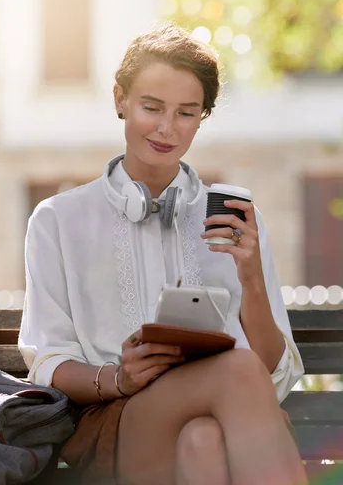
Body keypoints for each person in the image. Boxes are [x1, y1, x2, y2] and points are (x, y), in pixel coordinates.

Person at [18, 24, 307, 485]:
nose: (167, 128)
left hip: (232, 423)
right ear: (120, 99)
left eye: (187, 113)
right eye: (151, 107)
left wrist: (251, 278)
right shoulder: (57, 219)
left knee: (203, 442)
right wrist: (118, 379)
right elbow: (48, 362)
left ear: (202, 117)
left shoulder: (236, 221)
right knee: (234, 371)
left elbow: (272, 370)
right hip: (118, 421)